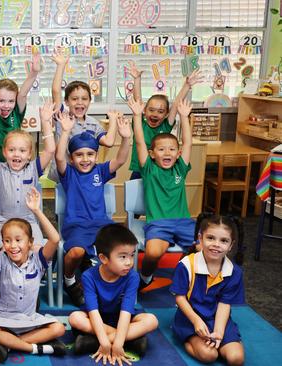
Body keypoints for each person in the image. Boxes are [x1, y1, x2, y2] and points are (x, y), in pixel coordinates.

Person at [0, 181, 67, 363]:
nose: (13, 246)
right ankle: (37, 348)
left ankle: (9, 344)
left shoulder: (38, 262)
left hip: (30, 320)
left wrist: (37, 211)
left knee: (59, 328)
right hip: (5, 320)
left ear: (30, 243)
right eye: (7, 241)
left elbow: (55, 239)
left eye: (18, 240)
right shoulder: (1, 261)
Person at [55, 111, 132, 307]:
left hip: (102, 224)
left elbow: (121, 160)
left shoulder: (101, 171)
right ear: (72, 159)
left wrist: (126, 138)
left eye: (90, 154)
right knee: (75, 253)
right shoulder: (69, 173)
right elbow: (58, 157)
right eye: (79, 155)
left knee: (121, 248)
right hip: (77, 225)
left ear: (96, 156)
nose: (85, 159)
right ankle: (70, 281)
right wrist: (65, 131)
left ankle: (114, 285)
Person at [128, 97, 196, 290]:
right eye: (162, 149)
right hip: (158, 223)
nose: (167, 153)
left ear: (178, 153)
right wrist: (136, 115)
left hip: (184, 222)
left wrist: (184, 117)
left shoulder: (180, 170)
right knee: (152, 253)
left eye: (172, 150)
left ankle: (185, 275)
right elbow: (140, 142)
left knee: (203, 247)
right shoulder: (149, 170)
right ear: (152, 154)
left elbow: (188, 143)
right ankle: (146, 276)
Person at [69, 224, 159, 364]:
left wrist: (116, 344)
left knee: (151, 320)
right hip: (97, 320)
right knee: (75, 318)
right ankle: (131, 341)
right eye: (122, 257)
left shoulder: (132, 277)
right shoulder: (88, 276)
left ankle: (92, 342)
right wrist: (105, 342)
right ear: (104, 258)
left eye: (132, 255)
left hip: (122, 319)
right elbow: (93, 312)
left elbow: (126, 312)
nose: (129, 262)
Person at [0, 101, 55, 250]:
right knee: (5, 254)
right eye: (12, 150)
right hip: (2, 221)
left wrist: (45, 122)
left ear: (29, 155)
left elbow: (50, 150)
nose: (16, 154)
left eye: (22, 150)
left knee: (38, 253)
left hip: (29, 221)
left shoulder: (33, 168)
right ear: (5, 152)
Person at [170, 215, 245, 366]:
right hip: (190, 318)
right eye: (210, 238)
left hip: (217, 318)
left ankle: (219, 340)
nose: (216, 244)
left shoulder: (234, 272)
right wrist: (196, 321)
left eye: (224, 241)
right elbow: (180, 298)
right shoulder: (186, 265)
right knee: (208, 355)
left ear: (231, 245)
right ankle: (185, 338)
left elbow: (225, 304)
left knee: (236, 359)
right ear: (200, 238)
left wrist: (219, 332)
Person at [127, 61, 201, 179]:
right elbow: (138, 101)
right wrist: (137, 79)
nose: (155, 114)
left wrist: (187, 85)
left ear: (166, 114)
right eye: (151, 110)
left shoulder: (166, 126)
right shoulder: (140, 124)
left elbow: (176, 104)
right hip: (139, 172)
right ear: (144, 110)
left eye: (160, 111)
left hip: (160, 172)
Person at [0, 51, 41, 172]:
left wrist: (34, 72)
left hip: (16, 167)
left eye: (11, 101)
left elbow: (23, 93)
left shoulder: (16, 113)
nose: (6, 106)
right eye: (1, 101)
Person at [51, 53, 117, 148]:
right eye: (74, 99)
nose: (80, 102)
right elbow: (56, 91)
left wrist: (113, 120)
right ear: (66, 102)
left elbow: (109, 142)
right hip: (63, 163)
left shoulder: (93, 124)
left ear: (90, 101)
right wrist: (61, 66)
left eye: (84, 99)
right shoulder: (62, 117)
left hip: (85, 163)